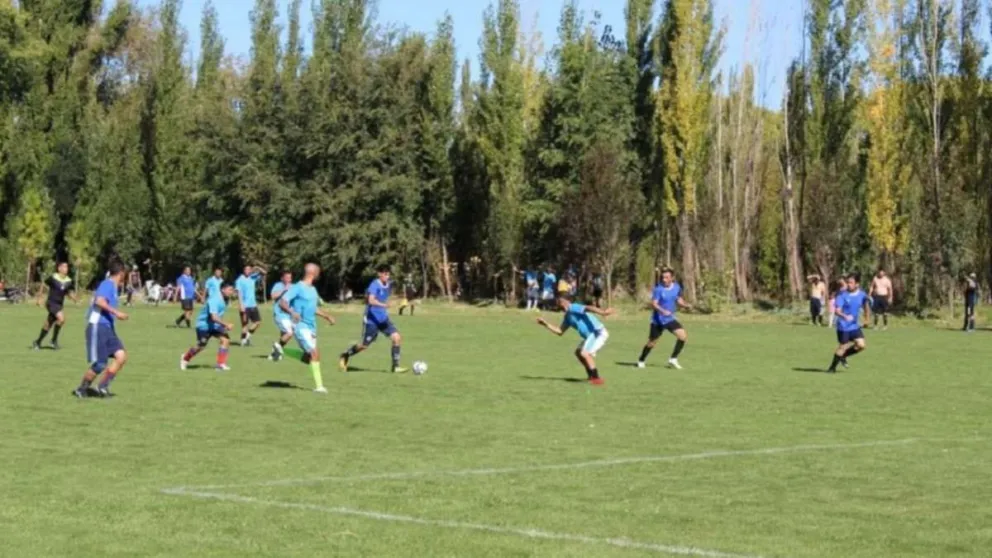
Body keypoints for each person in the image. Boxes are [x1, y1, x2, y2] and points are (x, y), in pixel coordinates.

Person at [536, 284, 615, 385]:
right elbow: (560, 331)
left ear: (563, 301)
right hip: (590, 335)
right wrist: (545, 324)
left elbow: (588, 308)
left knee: (585, 353)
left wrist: (603, 312)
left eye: (558, 301)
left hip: (597, 332)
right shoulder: (568, 316)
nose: (556, 303)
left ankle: (596, 379)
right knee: (578, 352)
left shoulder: (573, 307)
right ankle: (591, 375)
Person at [73, 262, 129, 398]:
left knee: (121, 356)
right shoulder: (107, 284)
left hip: (107, 328)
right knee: (100, 364)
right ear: (121, 273)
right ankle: (81, 389)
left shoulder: (113, 287)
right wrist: (117, 313)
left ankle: (102, 386)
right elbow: (99, 301)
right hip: (97, 326)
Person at [339, 264, 408, 373]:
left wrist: (400, 299)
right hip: (372, 320)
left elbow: (390, 293)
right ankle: (346, 355)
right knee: (364, 346)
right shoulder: (374, 285)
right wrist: (384, 305)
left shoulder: (388, 284)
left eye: (388, 274)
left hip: (383, 319)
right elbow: (371, 300)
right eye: (385, 274)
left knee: (397, 338)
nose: (387, 276)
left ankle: (395, 367)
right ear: (379, 274)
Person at [280, 263, 337, 394]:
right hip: (300, 326)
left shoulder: (313, 289)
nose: (319, 274)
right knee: (314, 353)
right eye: (318, 272)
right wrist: (292, 312)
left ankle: (282, 350)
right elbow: (283, 302)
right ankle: (319, 387)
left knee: (310, 358)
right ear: (312, 273)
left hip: (312, 327)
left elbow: (313, 308)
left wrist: (326, 316)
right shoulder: (297, 287)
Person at [637, 267, 693, 370]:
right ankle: (641, 360)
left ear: (672, 278)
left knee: (682, 336)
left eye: (667, 277)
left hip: (670, 319)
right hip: (658, 321)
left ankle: (673, 359)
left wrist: (685, 305)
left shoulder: (676, 287)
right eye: (663, 277)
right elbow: (654, 304)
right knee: (652, 343)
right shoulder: (658, 289)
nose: (664, 279)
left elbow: (679, 299)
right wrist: (663, 311)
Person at [180, 284, 236, 371]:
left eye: (232, 290)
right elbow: (214, 317)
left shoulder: (225, 299)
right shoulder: (214, 299)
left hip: (214, 325)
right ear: (223, 289)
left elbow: (218, 315)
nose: (231, 292)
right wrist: (226, 324)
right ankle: (185, 358)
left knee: (225, 340)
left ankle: (220, 364)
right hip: (203, 325)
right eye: (230, 290)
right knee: (200, 346)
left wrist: (221, 325)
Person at [826, 273, 871, 373]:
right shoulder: (842, 295)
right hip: (843, 325)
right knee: (843, 346)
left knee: (861, 345)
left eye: (851, 282)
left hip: (854, 325)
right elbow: (837, 311)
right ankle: (832, 368)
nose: (848, 284)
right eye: (847, 282)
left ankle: (843, 356)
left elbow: (866, 306)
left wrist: (867, 319)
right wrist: (845, 316)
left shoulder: (862, 295)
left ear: (857, 284)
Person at [33, 262, 78, 350]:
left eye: (67, 267)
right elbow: (44, 284)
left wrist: (74, 299)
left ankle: (37, 342)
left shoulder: (68, 281)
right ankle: (53, 340)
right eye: (64, 267)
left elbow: (67, 292)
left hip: (59, 304)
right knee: (61, 319)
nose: (66, 269)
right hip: (51, 303)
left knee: (48, 324)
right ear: (59, 268)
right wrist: (39, 299)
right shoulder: (53, 277)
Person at [235, 265, 267, 346]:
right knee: (245, 325)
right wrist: (241, 304)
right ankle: (243, 341)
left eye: (249, 269)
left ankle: (247, 337)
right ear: (244, 270)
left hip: (253, 305)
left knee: (257, 322)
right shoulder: (240, 280)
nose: (248, 271)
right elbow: (239, 293)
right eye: (246, 269)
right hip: (245, 306)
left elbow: (264, 273)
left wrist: (257, 267)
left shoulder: (253, 277)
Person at [268, 271, 295, 361]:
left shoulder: (293, 287)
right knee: (289, 333)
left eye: (290, 278)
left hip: (289, 315)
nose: (289, 279)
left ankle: (275, 354)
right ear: (282, 278)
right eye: (287, 277)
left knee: (284, 335)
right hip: (279, 314)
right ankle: (277, 346)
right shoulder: (278, 285)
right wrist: (284, 290)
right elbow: (273, 296)